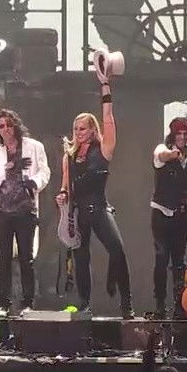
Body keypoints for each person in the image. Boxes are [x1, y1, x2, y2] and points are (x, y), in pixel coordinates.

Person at [56, 73, 133, 319]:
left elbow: (108, 118)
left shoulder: (104, 149)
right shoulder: (69, 155)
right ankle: (85, 304)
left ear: (92, 130)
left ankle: (126, 304)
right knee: (81, 258)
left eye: (83, 128)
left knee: (117, 250)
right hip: (78, 212)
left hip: (99, 208)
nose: (78, 132)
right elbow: (65, 185)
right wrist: (62, 196)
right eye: (75, 129)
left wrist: (105, 86)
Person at [0, 109, 50, 317]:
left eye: (9, 125)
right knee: (4, 258)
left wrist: (34, 182)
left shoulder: (34, 146)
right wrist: (7, 167)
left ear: (15, 125)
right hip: (1, 208)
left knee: (26, 257)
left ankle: (28, 303)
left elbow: (44, 171)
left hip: (25, 208)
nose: (6, 129)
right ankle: (4, 304)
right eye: (1, 126)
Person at [151, 118, 187, 319]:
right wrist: (171, 154)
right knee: (161, 257)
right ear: (172, 135)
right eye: (178, 134)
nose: (181, 138)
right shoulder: (162, 149)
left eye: (184, 134)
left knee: (179, 261)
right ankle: (160, 306)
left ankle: (180, 306)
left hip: (181, 214)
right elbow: (160, 156)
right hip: (161, 212)